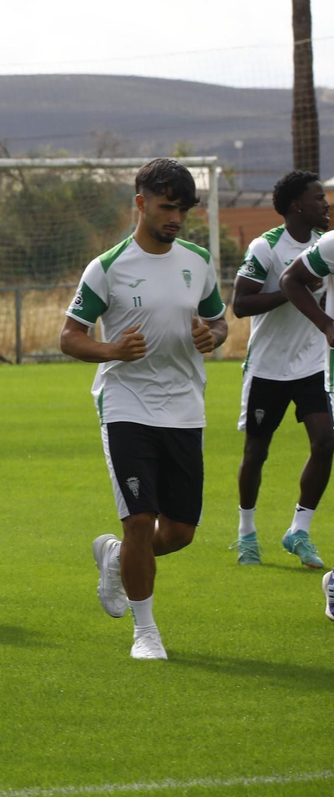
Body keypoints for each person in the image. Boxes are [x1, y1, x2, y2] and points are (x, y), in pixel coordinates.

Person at [61, 158, 226, 661]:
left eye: (183, 209)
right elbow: (70, 337)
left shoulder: (197, 261)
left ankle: (116, 558)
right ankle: (146, 633)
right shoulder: (107, 267)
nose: (176, 217)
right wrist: (112, 351)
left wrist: (210, 336)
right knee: (139, 520)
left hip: (185, 409)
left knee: (177, 533)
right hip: (127, 406)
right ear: (141, 204)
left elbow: (220, 324)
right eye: (166, 206)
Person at [229, 171, 329, 570]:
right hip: (268, 368)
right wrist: (291, 292)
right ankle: (246, 533)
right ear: (296, 206)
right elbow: (240, 304)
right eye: (318, 198)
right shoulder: (266, 247)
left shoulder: (324, 246)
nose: (325, 204)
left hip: (312, 365)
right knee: (256, 452)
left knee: (326, 442)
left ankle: (298, 529)